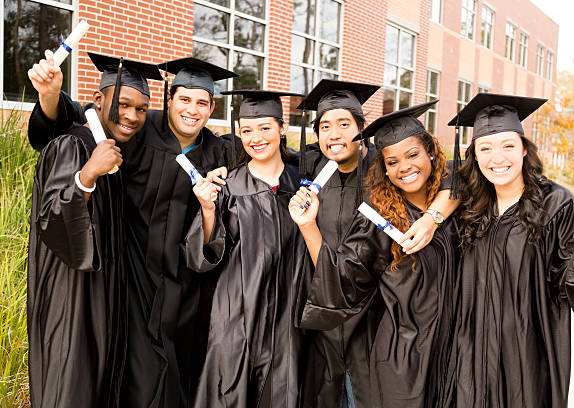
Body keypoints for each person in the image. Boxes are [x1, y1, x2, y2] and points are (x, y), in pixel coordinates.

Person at [27, 53, 238, 407]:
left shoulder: (219, 153)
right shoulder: (136, 130)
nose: (192, 109)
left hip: (183, 290)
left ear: (212, 108)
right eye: (184, 99)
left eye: (202, 102)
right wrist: (49, 95)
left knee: (178, 380)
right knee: (128, 380)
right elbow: (79, 120)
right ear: (169, 99)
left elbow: (268, 154)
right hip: (130, 283)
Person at [291, 80, 460, 408]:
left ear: (360, 129)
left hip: (381, 324)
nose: (335, 133)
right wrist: (307, 224)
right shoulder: (313, 170)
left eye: (344, 124)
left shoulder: (383, 179)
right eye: (325, 126)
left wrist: (432, 218)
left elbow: (458, 180)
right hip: (336, 308)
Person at [449, 93, 574, 407]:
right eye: (486, 148)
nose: (498, 158)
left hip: (526, 355)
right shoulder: (468, 206)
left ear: (524, 149)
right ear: (475, 156)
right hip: (471, 355)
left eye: (508, 146)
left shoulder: (554, 203)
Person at [27, 53, 160, 408]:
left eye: (142, 109)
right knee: (70, 388)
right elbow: (51, 218)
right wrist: (87, 175)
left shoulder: (109, 150)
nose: (132, 116)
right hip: (69, 300)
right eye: (125, 104)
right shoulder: (74, 145)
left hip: (100, 299)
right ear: (98, 100)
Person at [183, 90, 308, 408]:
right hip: (237, 322)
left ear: (283, 128)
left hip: (287, 327)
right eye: (247, 129)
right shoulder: (228, 188)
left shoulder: (303, 185)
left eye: (265, 127)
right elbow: (203, 257)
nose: (256, 137)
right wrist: (208, 210)